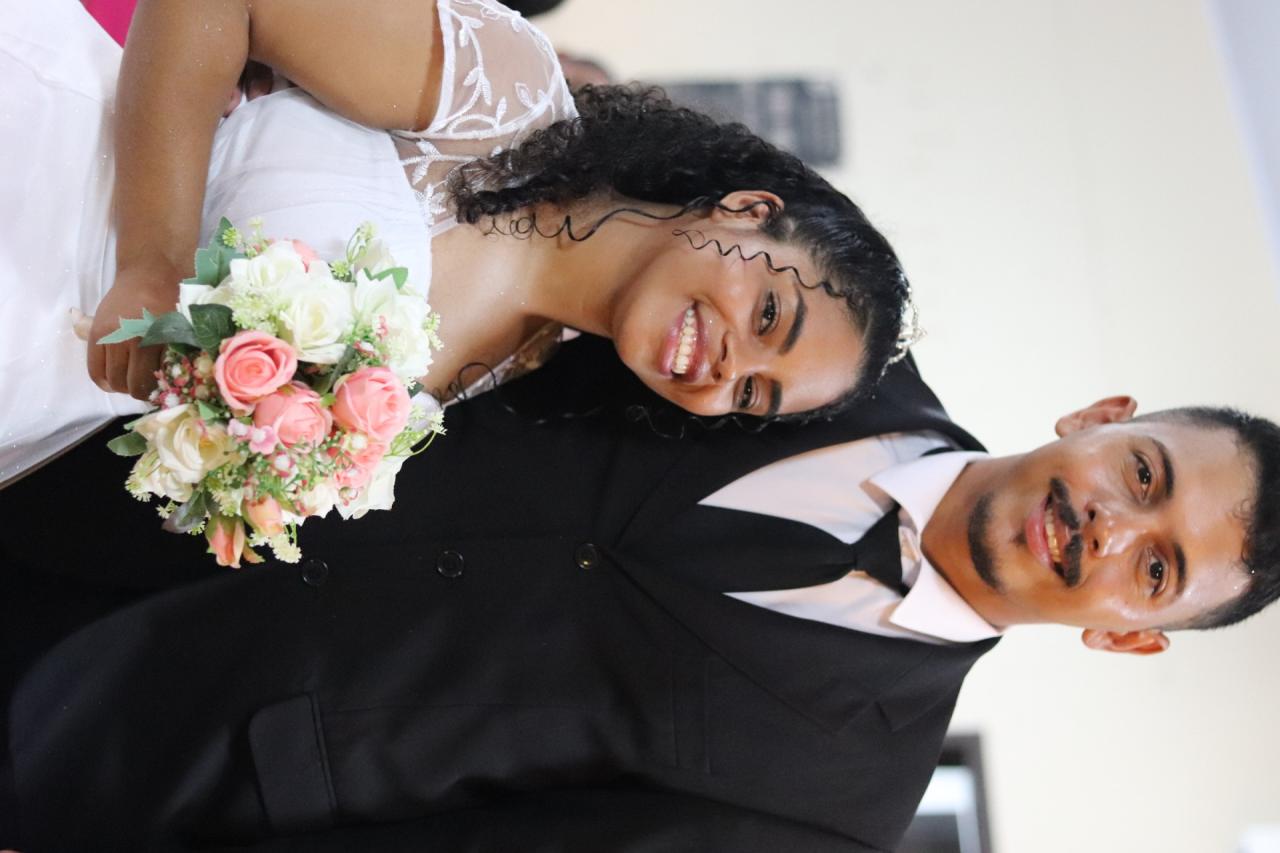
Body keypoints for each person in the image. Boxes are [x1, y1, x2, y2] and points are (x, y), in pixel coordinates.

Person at [3, 335, 1279, 851]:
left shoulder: (840, 809)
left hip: (130, 769)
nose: (1110, 525)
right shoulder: (827, 336)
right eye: (1143, 473)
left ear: (1127, 635)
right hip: (115, 473)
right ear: (1100, 415)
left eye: (1154, 566)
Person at [0, 0, 911, 487]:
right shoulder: (503, 100)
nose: (727, 366)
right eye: (770, 315)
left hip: (35, 378)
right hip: (37, 159)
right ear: (746, 208)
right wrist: (153, 259)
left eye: (752, 394)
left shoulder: (510, 373)